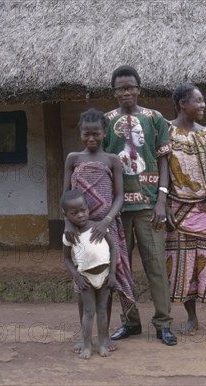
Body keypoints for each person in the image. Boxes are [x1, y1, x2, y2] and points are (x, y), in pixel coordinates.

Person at [103, 65, 177, 346]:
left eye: (131, 87)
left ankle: (163, 323)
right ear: (114, 92)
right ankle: (130, 322)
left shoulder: (155, 118)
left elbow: (163, 161)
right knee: (121, 268)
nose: (126, 92)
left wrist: (162, 199)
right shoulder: (106, 120)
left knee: (156, 265)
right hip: (118, 210)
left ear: (139, 88)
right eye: (121, 88)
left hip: (149, 207)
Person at [62, 107, 134, 354]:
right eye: (86, 134)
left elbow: (119, 196)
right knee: (81, 285)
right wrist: (68, 224)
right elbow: (65, 195)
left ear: (104, 133)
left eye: (96, 134)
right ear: (80, 133)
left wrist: (106, 221)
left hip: (106, 227)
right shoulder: (73, 158)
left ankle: (104, 338)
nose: (90, 138)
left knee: (106, 281)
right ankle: (85, 339)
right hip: (79, 230)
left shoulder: (112, 160)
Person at [165, 84, 206, 335]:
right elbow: (163, 168)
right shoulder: (167, 132)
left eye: (203, 101)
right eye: (198, 101)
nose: (203, 105)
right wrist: (163, 202)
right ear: (183, 104)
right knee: (183, 262)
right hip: (178, 207)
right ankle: (191, 317)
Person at [61, 190, 117, 359]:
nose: (80, 215)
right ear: (66, 215)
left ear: (88, 209)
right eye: (74, 213)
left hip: (105, 275)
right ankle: (86, 344)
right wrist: (77, 276)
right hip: (85, 278)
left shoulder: (98, 227)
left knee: (102, 311)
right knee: (89, 312)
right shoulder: (69, 235)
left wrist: (113, 273)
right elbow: (66, 259)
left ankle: (102, 343)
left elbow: (113, 248)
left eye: (83, 210)